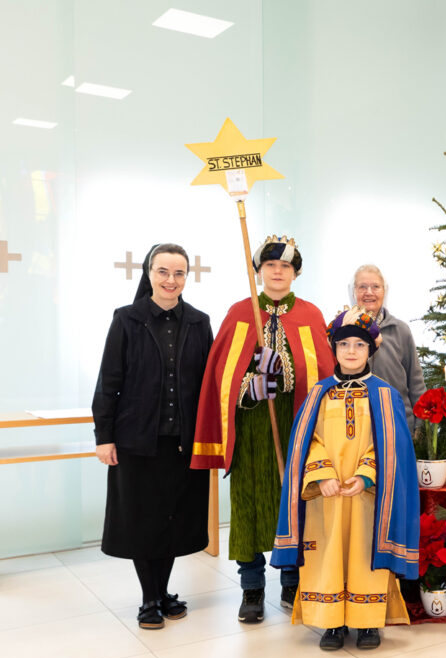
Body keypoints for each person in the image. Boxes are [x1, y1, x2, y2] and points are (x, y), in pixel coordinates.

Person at [191, 235, 334, 622]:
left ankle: (291, 582)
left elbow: (323, 373)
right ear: (258, 271)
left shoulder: (310, 314)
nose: (277, 272)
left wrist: (286, 374)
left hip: (295, 425)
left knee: (295, 502)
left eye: (285, 266)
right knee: (249, 505)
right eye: (270, 265)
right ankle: (252, 587)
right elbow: (221, 374)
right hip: (251, 426)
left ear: (295, 273)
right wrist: (251, 386)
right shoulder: (241, 312)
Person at [271, 307, 419, 651]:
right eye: (344, 344)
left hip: (368, 496)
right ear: (333, 349)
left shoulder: (385, 394)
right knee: (327, 552)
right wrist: (322, 475)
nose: (351, 351)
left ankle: (367, 623)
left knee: (365, 552)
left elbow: (391, 446)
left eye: (359, 345)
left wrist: (366, 475)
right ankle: (331, 621)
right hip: (326, 495)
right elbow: (307, 442)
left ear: (371, 350)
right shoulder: (318, 394)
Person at [92, 243, 213, 630]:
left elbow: (209, 384)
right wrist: (104, 436)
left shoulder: (199, 322)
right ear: (149, 273)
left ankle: (162, 592)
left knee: (172, 519)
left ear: (186, 277)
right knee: (142, 521)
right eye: (163, 272)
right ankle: (149, 599)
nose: (170, 280)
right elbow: (109, 381)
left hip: (183, 441)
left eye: (178, 273)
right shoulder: (127, 319)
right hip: (137, 441)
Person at [351, 264, 426, 432]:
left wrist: (421, 430)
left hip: (399, 424)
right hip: (355, 429)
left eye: (375, 287)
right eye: (362, 287)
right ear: (354, 291)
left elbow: (416, 383)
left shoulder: (401, 330)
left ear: (384, 291)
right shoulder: (342, 332)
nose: (369, 292)